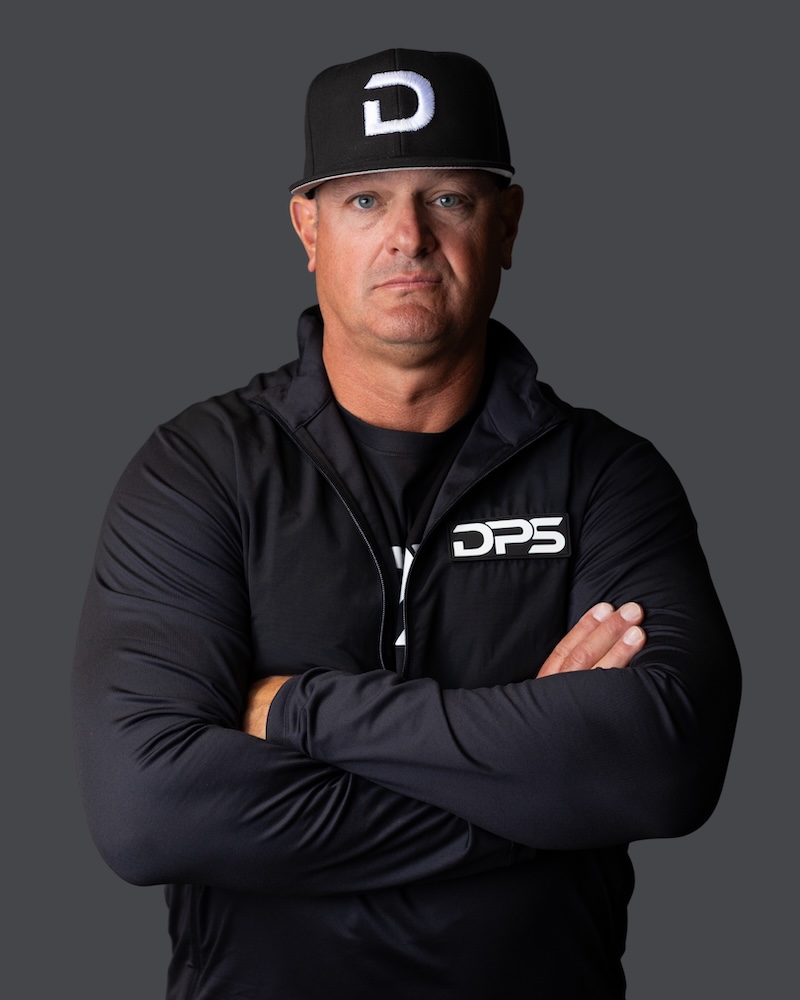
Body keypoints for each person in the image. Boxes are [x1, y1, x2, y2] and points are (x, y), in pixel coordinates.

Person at [72, 48, 740, 999]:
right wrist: (539, 793)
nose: (409, 238)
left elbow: (665, 764)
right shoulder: (200, 470)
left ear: (507, 224)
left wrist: (300, 712)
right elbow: (150, 812)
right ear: (308, 228)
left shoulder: (606, 477)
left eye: (449, 199)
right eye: (365, 200)